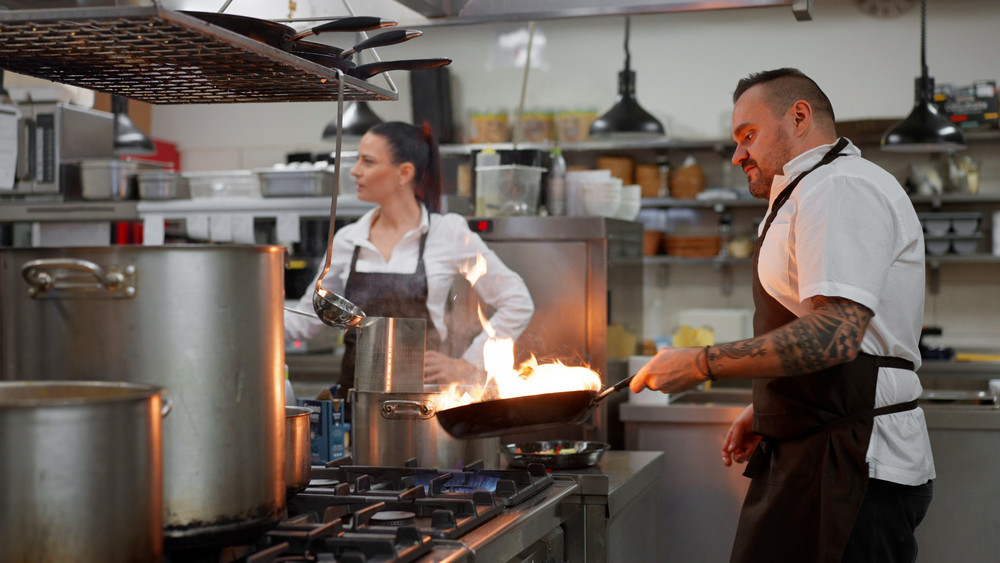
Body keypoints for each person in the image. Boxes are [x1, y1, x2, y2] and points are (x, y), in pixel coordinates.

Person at [630, 68, 933, 562]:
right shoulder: (807, 189)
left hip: (852, 462)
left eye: (748, 135)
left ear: (799, 117)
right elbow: (812, 324)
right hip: (816, 445)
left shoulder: (839, 186)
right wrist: (775, 404)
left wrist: (701, 363)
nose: (737, 155)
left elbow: (833, 334)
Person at [285, 121, 534, 397]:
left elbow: (517, 300)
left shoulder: (447, 233)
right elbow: (306, 320)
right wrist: (247, 320)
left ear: (404, 173)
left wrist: (467, 364)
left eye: (367, 162)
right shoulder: (348, 239)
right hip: (355, 404)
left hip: (423, 403)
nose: (355, 171)